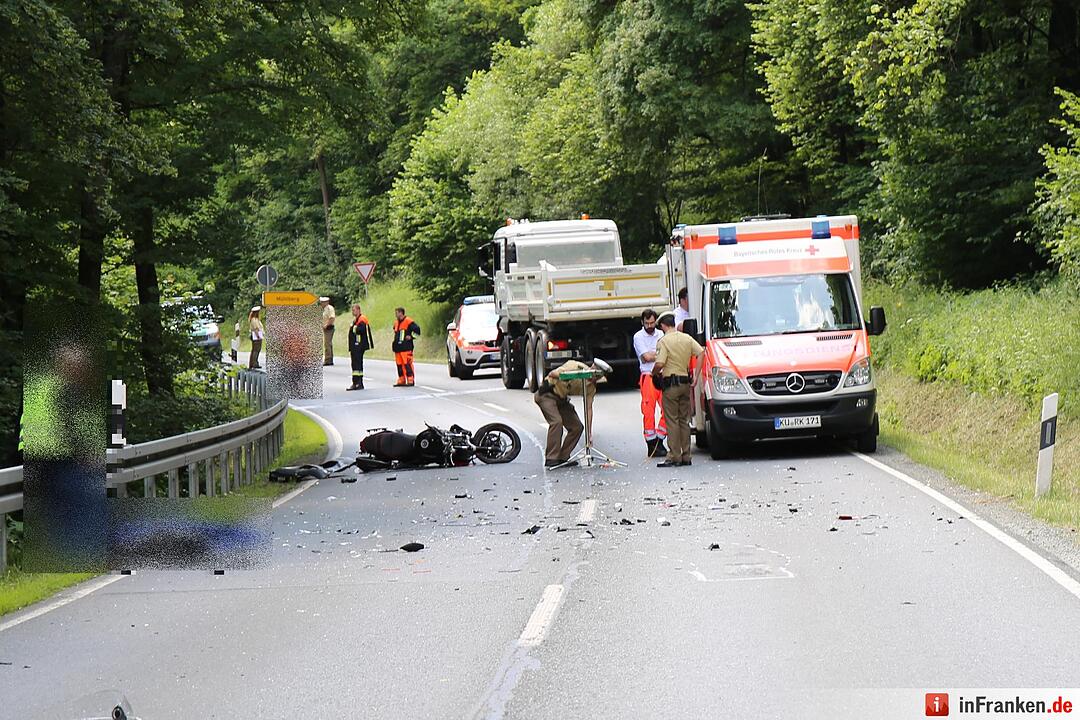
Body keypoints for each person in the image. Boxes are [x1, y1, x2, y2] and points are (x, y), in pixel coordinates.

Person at [652, 311, 704, 467]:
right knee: (684, 420)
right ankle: (686, 455)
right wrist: (696, 376)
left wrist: (653, 372)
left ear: (662, 325)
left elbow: (660, 363)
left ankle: (674, 456)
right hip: (685, 384)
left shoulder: (663, 342)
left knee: (672, 421)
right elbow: (701, 352)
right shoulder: (686, 338)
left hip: (671, 386)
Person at [534, 359, 602, 468]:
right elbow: (552, 374)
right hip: (547, 394)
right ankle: (551, 458)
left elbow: (588, 409)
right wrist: (570, 376)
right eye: (594, 375)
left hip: (562, 400)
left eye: (597, 377)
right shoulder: (575, 366)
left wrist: (589, 434)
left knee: (577, 427)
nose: (594, 379)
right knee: (556, 422)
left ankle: (563, 457)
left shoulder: (591, 387)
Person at [632, 309, 668, 457]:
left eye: (652, 323)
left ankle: (660, 438)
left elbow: (657, 355)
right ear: (642, 323)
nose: (649, 325)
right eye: (647, 323)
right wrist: (659, 354)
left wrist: (654, 354)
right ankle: (651, 443)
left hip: (662, 374)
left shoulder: (661, 334)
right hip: (648, 376)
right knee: (648, 411)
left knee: (667, 408)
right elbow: (646, 357)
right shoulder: (638, 337)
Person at [347, 304, 374, 390]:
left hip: (359, 345)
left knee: (357, 364)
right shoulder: (356, 320)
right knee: (355, 364)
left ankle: (358, 383)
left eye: (354, 310)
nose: (353, 312)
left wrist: (353, 328)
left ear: (359, 310)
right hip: (355, 346)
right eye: (352, 310)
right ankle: (357, 383)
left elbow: (361, 330)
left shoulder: (362, 319)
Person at [392, 307, 420, 387]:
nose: (396, 315)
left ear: (401, 313)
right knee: (399, 365)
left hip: (406, 348)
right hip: (398, 348)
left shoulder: (409, 321)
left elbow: (417, 331)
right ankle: (402, 380)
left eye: (397, 313)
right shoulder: (396, 323)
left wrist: (412, 337)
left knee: (407, 364)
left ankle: (410, 380)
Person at [320, 296, 336, 366]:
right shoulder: (324, 309)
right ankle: (330, 359)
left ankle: (328, 360)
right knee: (328, 343)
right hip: (325, 328)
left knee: (327, 344)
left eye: (323, 302)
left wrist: (326, 325)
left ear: (326, 302)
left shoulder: (329, 308)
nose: (321, 303)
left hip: (329, 328)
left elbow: (332, 317)